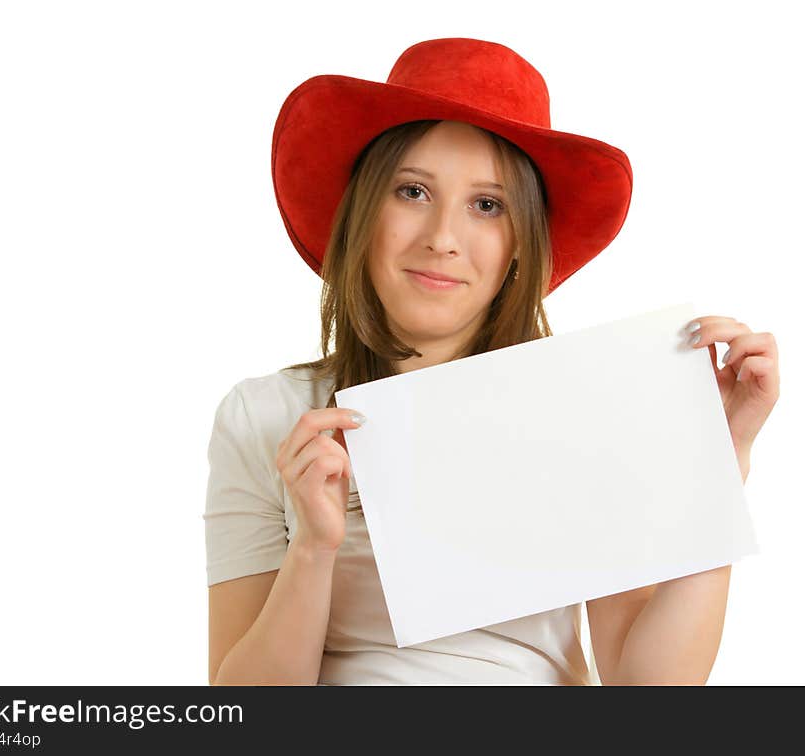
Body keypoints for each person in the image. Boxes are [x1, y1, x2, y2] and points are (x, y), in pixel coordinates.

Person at [203, 38, 781, 686]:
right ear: (363, 211)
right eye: (413, 190)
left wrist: (714, 472)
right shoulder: (266, 418)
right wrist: (313, 548)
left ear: (519, 242)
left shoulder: (584, 408)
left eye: (487, 204)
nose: (442, 239)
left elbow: (648, 689)